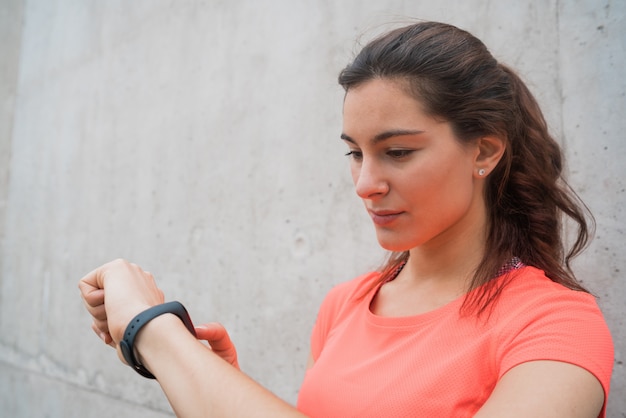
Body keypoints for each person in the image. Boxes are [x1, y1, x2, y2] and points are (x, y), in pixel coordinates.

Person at [79, 21, 614, 417]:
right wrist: (217, 383)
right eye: (355, 153)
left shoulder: (554, 326)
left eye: (398, 152)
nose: (365, 184)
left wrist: (154, 333)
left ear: (484, 151)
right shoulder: (345, 305)